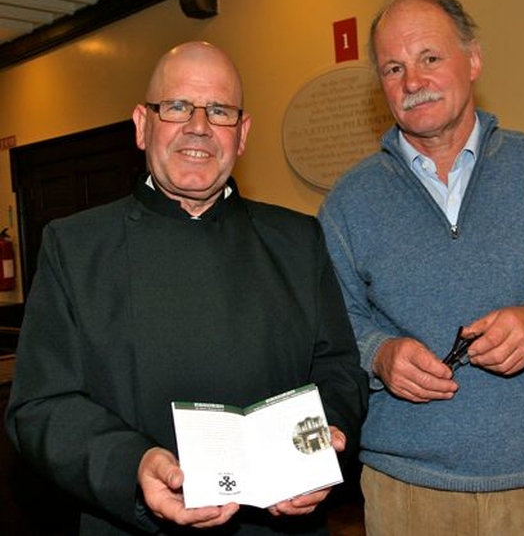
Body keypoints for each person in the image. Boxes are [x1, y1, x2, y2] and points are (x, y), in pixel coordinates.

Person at [6, 41, 368, 536]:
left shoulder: (298, 240)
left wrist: (320, 446)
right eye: (177, 106)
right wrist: (133, 465)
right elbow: (41, 406)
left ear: (242, 135)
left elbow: (338, 370)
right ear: (142, 124)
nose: (198, 126)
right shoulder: (74, 247)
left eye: (219, 111)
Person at [318, 0, 524, 536]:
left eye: (430, 58)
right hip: (405, 491)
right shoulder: (348, 203)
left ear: (473, 60)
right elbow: (331, 326)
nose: (412, 82)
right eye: (394, 67)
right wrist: (380, 353)